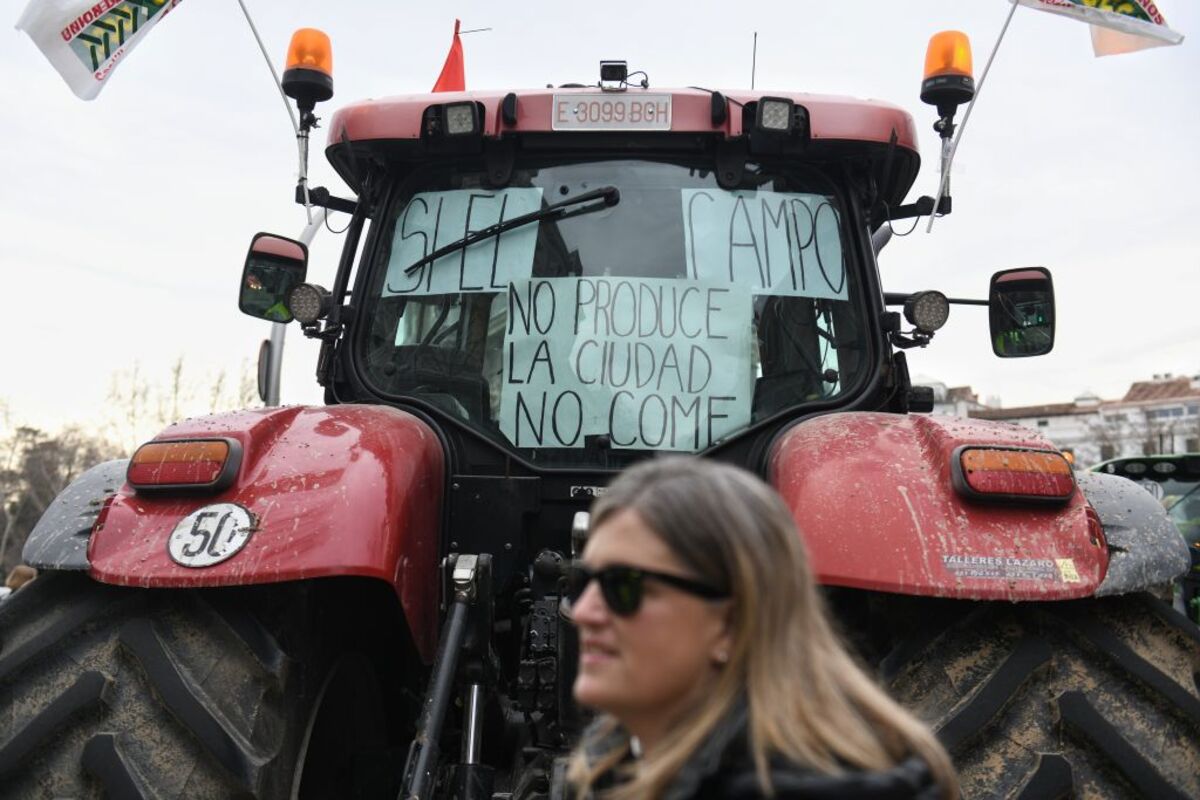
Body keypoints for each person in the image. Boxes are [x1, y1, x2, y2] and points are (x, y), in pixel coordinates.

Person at [563, 457, 957, 799]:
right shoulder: (618, 765)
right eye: (583, 583)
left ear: (731, 623)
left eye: (623, 586)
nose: (582, 612)